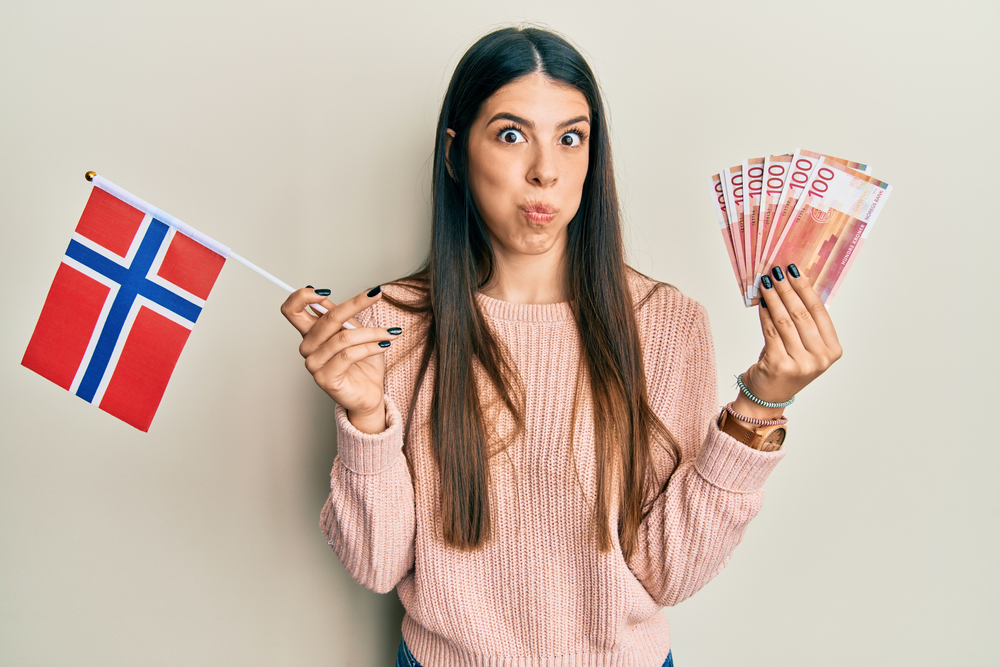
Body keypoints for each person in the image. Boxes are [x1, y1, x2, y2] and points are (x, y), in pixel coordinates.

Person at [280, 26, 841, 667]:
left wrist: (762, 404)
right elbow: (377, 565)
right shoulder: (388, 324)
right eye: (512, 134)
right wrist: (366, 421)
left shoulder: (669, 324)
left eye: (570, 138)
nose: (545, 170)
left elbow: (669, 574)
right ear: (456, 154)